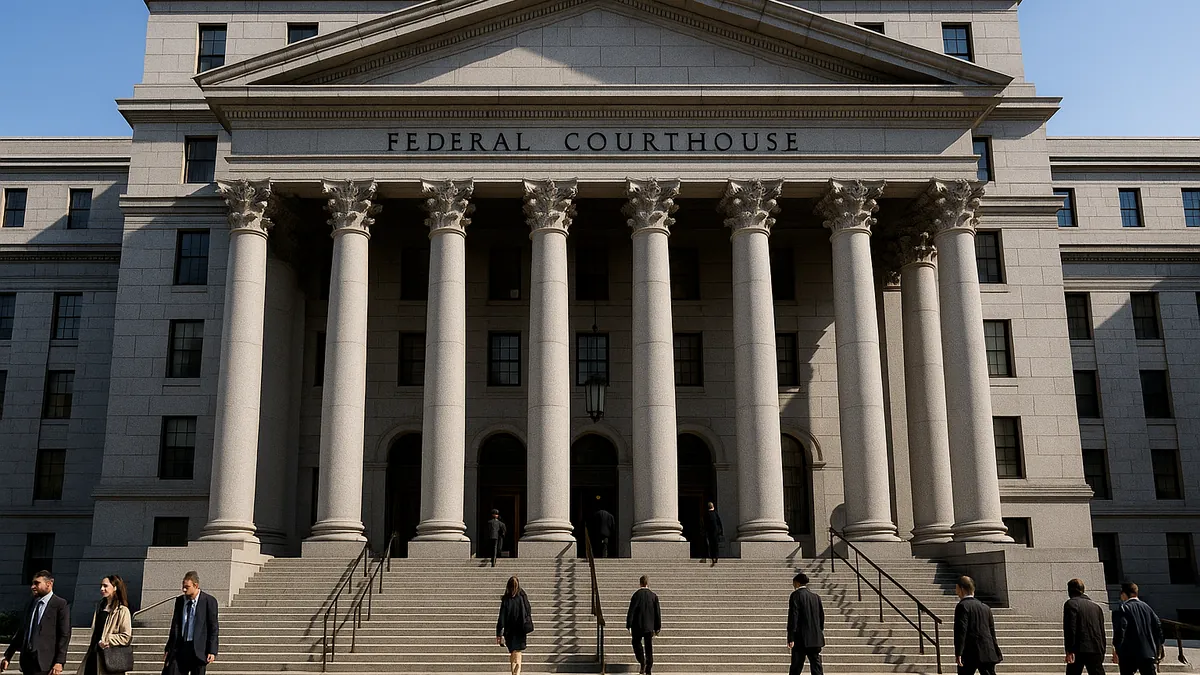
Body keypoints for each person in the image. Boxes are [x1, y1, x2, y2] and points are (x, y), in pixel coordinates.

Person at [2, 570, 71, 675]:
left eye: (37, 583)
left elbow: (64, 634)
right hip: (27, 661)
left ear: (49, 584)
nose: (32, 587)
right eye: (32, 583)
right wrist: (8, 656)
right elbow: (22, 631)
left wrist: (59, 661)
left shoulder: (60, 604)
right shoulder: (31, 603)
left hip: (45, 663)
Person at [164, 571, 218, 675]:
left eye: (187, 587)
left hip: (198, 649)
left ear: (196, 585)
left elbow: (213, 627)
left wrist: (212, 650)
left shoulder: (208, 601)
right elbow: (175, 626)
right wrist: (168, 648)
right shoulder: (180, 601)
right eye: (183, 586)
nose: (184, 590)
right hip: (181, 648)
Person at [78, 576, 132, 675]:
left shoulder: (122, 610)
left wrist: (108, 639)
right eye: (101, 586)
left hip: (109, 657)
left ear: (115, 587)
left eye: (105, 586)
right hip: (94, 654)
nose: (102, 589)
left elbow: (126, 636)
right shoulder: (99, 607)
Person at [954, 576, 1003, 675]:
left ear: (961, 589)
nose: (956, 591)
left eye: (957, 588)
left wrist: (959, 652)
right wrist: (995, 649)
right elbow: (991, 631)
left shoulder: (962, 606)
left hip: (970, 652)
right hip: (987, 650)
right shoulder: (985, 607)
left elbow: (961, 630)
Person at [1112, 582, 1164, 675]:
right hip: (1148, 652)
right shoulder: (1147, 607)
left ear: (1124, 594)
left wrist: (1117, 648)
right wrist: (1158, 645)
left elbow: (1121, 629)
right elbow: (1158, 627)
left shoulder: (1124, 608)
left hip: (1129, 653)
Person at [1063, 578, 1106, 675]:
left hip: (1078, 649)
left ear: (1070, 590)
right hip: (1096, 648)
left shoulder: (1071, 604)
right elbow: (1102, 631)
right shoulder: (1097, 607)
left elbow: (1070, 628)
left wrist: (1069, 650)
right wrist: (1102, 650)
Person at [787, 572, 825, 675]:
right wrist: (819, 631)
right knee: (816, 666)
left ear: (797, 583)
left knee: (796, 666)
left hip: (801, 638)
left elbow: (793, 616)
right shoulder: (816, 597)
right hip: (815, 637)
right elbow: (821, 617)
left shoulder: (795, 595)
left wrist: (791, 637)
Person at [495, 576, 533, 675]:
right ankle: (516, 672)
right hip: (520, 629)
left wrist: (499, 633)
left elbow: (501, 617)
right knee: (517, 652)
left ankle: (515, 672)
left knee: (513, 651)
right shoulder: (522, 596)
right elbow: (528, 610)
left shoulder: (506, 599)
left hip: (510, 631)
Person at [626, 575, 661, 675]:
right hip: (649, 626)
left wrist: (629, 624)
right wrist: (657, 627)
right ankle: (648, 668)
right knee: (648, 647)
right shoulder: (653, 596)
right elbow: (657, 613)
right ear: (647, 583)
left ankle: (642, 661)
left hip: (637, 625)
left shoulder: (636, 595)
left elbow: (631, 611)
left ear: (640, 583)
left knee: (636, 643)